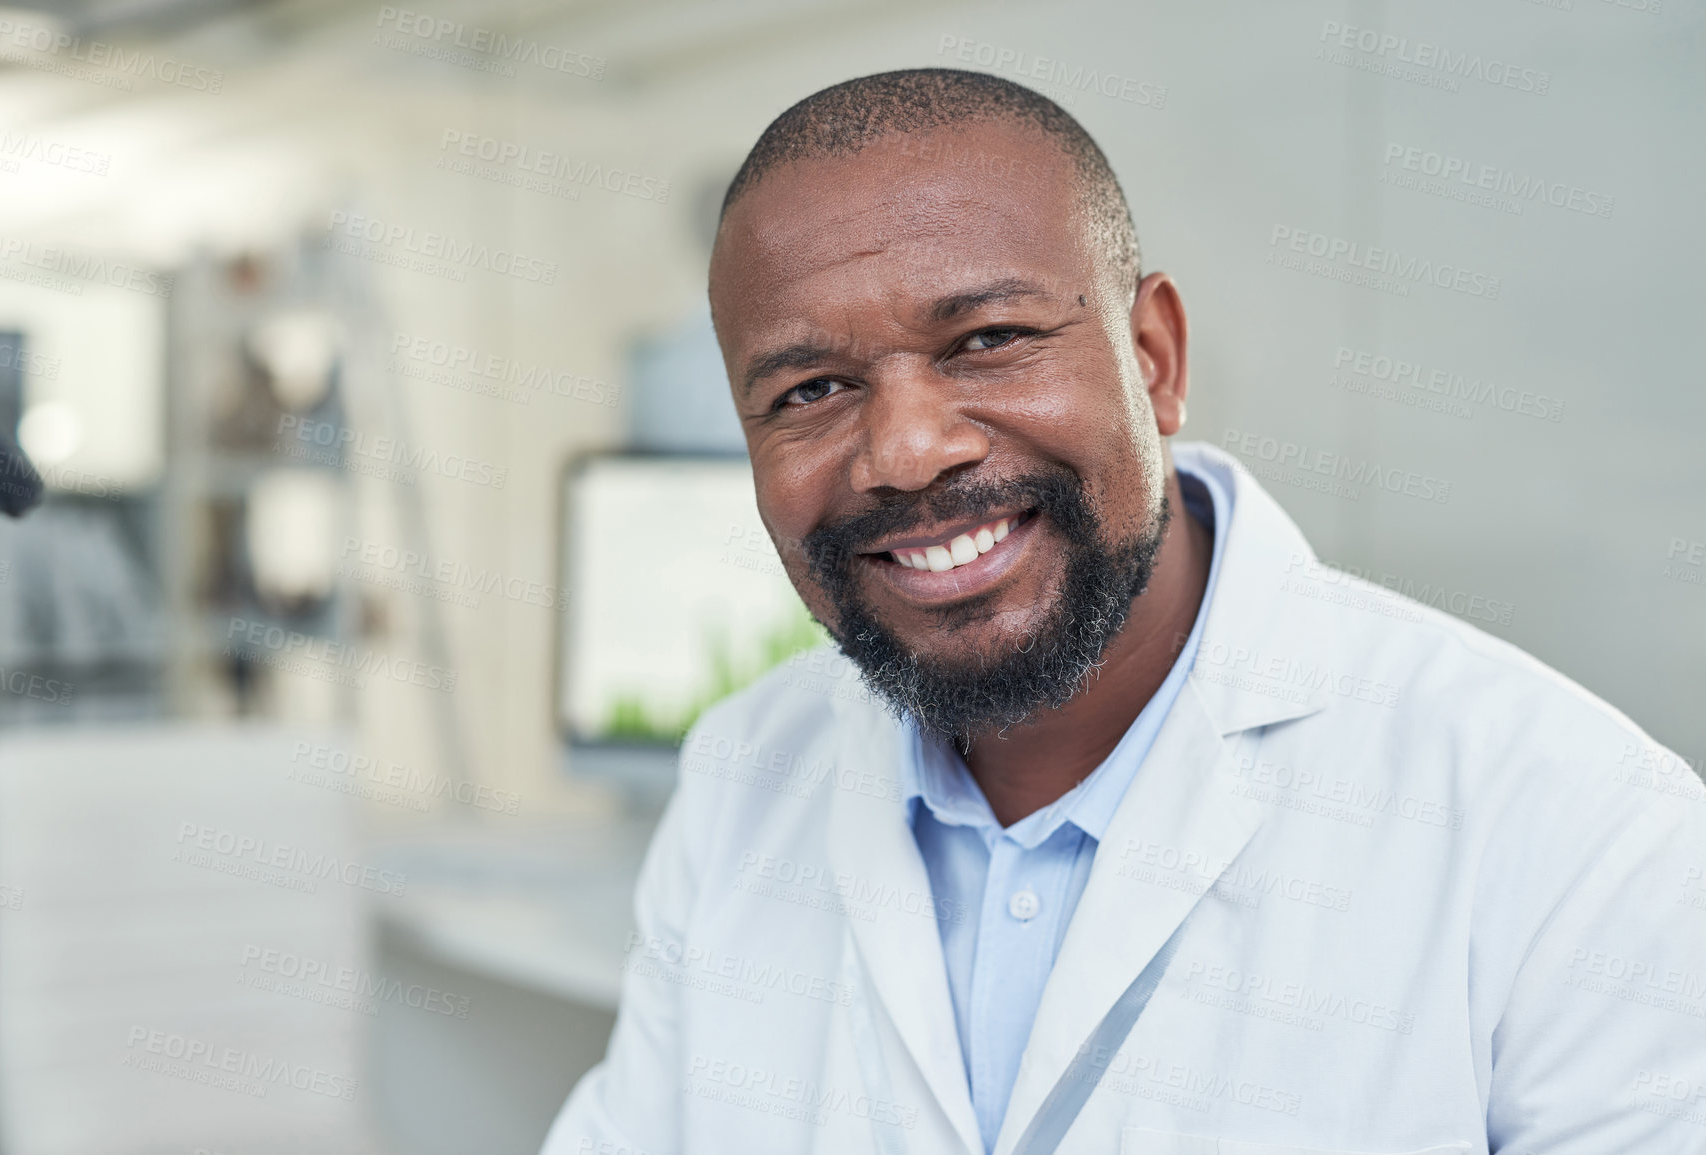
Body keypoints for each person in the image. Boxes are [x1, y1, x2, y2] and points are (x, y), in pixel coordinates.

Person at [544, 69, 1706, 1155]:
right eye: (812, 392)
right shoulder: (745, 776)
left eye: (988, 340)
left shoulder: (1579, 832)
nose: (903, 452)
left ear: (1152, 357)